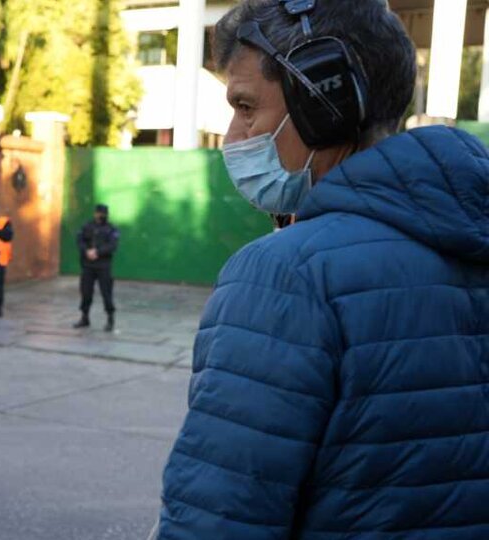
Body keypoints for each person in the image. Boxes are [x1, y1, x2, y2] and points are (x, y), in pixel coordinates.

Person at [159, 1, 489, 538]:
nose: (232, 135)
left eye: (245, 106)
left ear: (325, 100)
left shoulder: (287, 276)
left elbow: (220, 518)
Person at [73, 204, 119, 331]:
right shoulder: (87, 226)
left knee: (106, 293)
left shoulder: (111, 229)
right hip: (88, 265)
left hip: (103, 266)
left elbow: (112, 245)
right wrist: (86, 251)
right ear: (95, 213)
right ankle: (84, 317)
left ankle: (110, 318)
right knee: (86, 292)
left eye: (103, 214)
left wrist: (97, 252)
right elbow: (79, 240)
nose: (100, 216)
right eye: (99, 213)